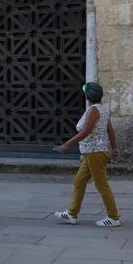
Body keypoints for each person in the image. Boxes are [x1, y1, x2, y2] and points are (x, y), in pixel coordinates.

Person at [53, 82, 121, 227]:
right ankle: (72, 214)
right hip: (92, 153)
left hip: (94, 153)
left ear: (86, 96)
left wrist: (66, 145)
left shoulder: (93, 111)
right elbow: (110, 130)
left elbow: (85, 132)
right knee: (79, 181)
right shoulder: (103, 109)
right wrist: (114, 148)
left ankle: (113, 217)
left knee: (102, 185)